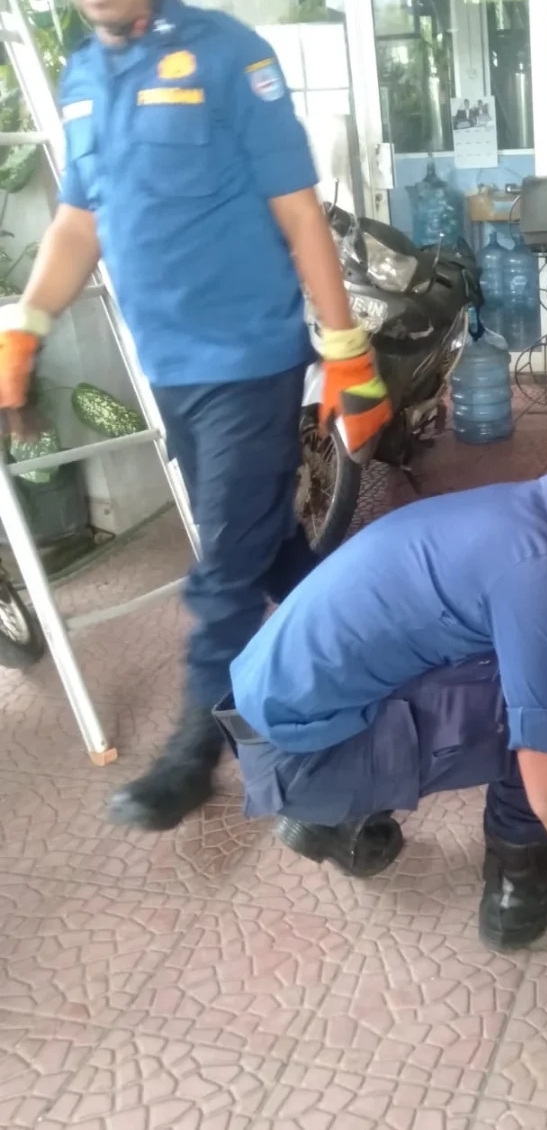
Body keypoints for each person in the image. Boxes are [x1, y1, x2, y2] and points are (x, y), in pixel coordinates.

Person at [0, 0, 391, 832]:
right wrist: (25, 328)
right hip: (170, 370)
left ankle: (195, 751)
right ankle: (389, 631)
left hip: (250, 359)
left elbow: (298, 212)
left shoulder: (228, 54)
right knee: (268, 542)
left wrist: (346, 349)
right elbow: (81, 220)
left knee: (223, 567)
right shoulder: (79, 75)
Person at [215, 410, 547, 951]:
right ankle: (524, 893)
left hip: (275, 711)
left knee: (534, 684)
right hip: (297, 757)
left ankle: (331, 817)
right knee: (528, 728)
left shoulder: (542, 515)